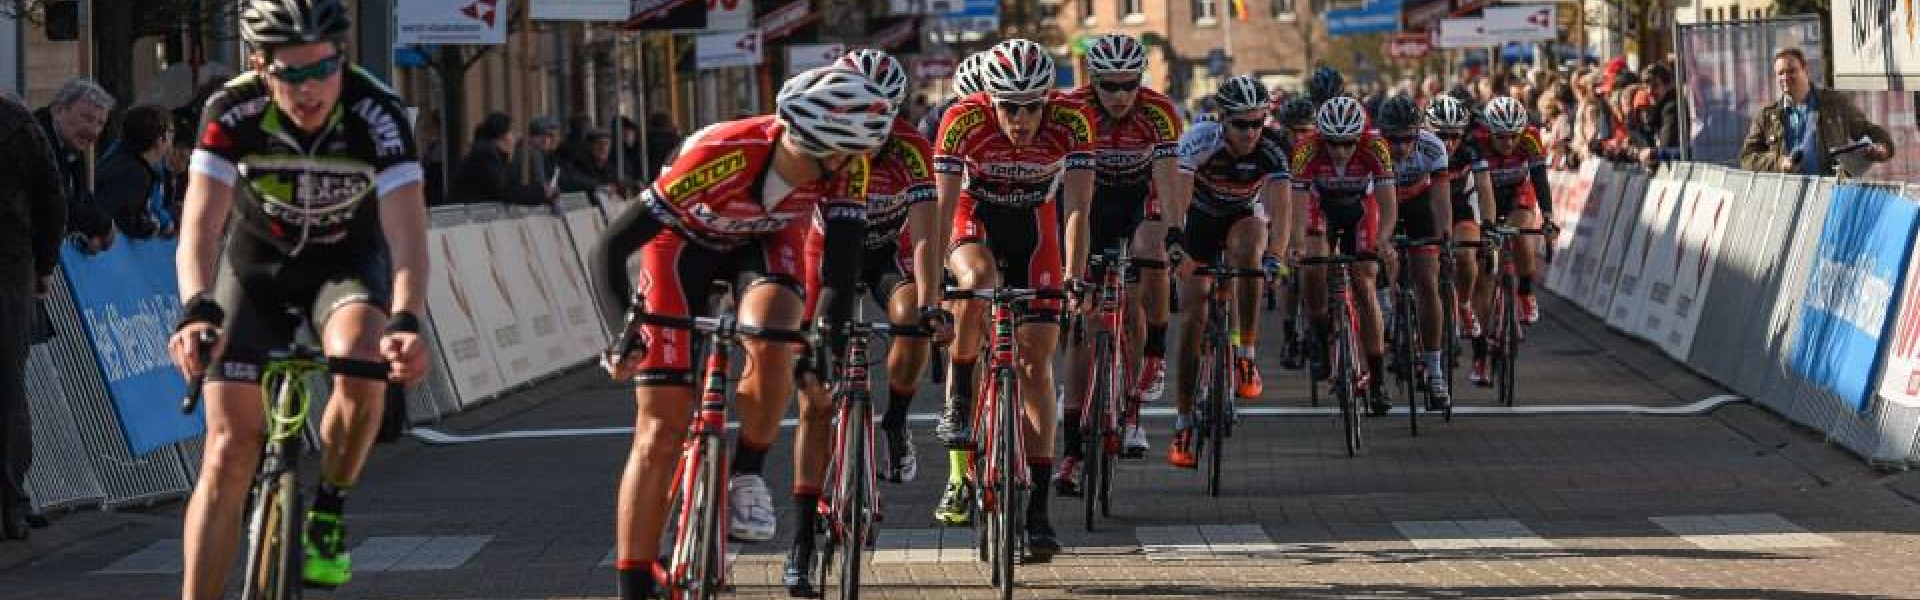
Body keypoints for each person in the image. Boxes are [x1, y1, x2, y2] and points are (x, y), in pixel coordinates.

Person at [588, 65, 892, 600]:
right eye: (844, 155)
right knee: (660, 427)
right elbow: (609, 247)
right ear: (812, 144)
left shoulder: (849, 165)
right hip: (682, 247)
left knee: (775, 333)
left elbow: (840, 272)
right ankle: (632, 585)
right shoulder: (723, 154)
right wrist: (622, 333)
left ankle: (747, 472)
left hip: (766, 242)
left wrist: (824, 345)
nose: (853, 165)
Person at [164, 1, 433, 596]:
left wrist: (407, 318)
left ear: (343, 58)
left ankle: (329, 509)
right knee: (228, 448)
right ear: (261, 67)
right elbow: (200, 226)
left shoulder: (377, 111)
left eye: (324, 68)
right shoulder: (231, 109)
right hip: (256, 267)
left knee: (362, 355)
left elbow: (408, 233)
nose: (311, 89)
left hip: (346, 265)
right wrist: (196, 307)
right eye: (293, 73)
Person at [782, 50, 953, 596]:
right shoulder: (822, 144)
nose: (871, 125)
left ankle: (896, 421)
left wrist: (932, 304)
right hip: (824, 254)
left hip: (884, 256)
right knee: (814, 401)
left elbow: (925, 236)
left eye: (883, 114)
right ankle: (800, 542)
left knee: (911, 313)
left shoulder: (910, 148)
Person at [931, 38, 1095, 561]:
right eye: (1008, 107)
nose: (1020, 120)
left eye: (1031, 108)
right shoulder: (962, 119)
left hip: (1034, 224)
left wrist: (1074, 277)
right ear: (990, 100)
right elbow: (942, 205)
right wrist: (934, 280)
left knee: (1035, 363)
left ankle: (1039, 510)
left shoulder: (1072, 122)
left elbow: (1078, 207)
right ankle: (960, 397)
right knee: (976, 280)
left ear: (1047, 101)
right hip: (974, 217)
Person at [1053, 33, 1185, 486]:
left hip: (1138, 200)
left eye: (1129, 84)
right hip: (1088, 204)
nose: (1120, 95)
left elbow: (1167, 179)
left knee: (1149, 256)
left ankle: (1151, 361)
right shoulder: (1074, 109)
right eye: (1109, 85)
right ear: (1093, 81)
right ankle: (1072, 449)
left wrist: (1175, 231)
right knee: (1084, 322)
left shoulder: (1158, 111)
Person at [1164, 75, 1292, 468]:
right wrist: (1176, 245)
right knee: (1192, 318)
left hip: (1242, 217)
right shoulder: (1200, 140)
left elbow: (1281, 206)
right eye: (1240, 124)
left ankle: (1246, 355)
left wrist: (1276, 255)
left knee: (1249, 251)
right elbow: (1178, 197)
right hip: (1200, 221)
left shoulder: (1273, 147)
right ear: (1223, 120)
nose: (1250, 132)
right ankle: (1183, 422)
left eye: (1257, 123)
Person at [1293, 96, 1400, 417]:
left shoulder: (1376, 147)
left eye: (1348, 143)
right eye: (1333, 143)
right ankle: (1319, 331)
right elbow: (1297, 207)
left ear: (1361, 136)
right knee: (1313, 267)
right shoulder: (1307, 149)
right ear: (1321, 137)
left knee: (1365, 283)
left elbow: (1388, 206)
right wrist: (1296, 244)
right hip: (1321, 207)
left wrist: (1382, 241)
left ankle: (1377, 380)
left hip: (1360, 209)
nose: (1340, 151)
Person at [0, 91, 66, 542]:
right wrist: (44, 265)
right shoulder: (17, 121)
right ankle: (12, 503)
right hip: (10, 267)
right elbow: (51, 198)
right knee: (8, 387)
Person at [1464, 96, 1554, 385]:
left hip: (1517, 193)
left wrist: (1548, 217)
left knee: (1521, 234)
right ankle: (1479, 357)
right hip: (1486, 197)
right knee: (1484, 279)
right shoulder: (1477, 141)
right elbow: (1476, 187)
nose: (1508, 142)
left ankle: (1525, 292)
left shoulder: (1530, 137)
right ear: (1489, 131)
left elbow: (1539, 178)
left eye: (1513, 136)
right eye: (1501, 137)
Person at [1739, 48, 1894, 176]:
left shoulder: (1835, 103)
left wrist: (1883, 148)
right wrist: (1780, 163)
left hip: (1830, 191)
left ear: (1805, 70)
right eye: (1780, 73)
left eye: (1791, 71)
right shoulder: (1767, 116)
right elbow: (1747, 158)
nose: (1785, 77)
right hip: (1788, 195)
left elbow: (1868, 130)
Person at [37, 77, 116, 253]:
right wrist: (102, 226)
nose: (94, 131)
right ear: (58, 110)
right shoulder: (36, 142)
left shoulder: (71, 142)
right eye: (87, 117)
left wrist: (94, 229)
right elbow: (52, 203)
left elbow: (82, 197)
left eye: (100, 123)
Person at [95, 104, 178, 239]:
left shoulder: (126, 162)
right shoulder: (134, 173)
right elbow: (120, 218)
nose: (173, 139)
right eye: (171, 132)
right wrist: (151, 226)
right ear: (160, 139)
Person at [449, 112, 547, 206]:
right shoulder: (486, 154)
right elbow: (504, 190)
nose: (514, 137)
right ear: (502, 136)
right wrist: (541, 193)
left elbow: (507, 185)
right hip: (464, 212)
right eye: (511, 132)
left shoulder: (489, 152)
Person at [1628, 63, 1682, 167]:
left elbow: (1665, 146)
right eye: (1646, 87)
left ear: (1668, 85)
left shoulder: (1672, 107)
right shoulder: (1658, 108)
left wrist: (1652, 153)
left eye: (1655, 86)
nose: (1650, 91)